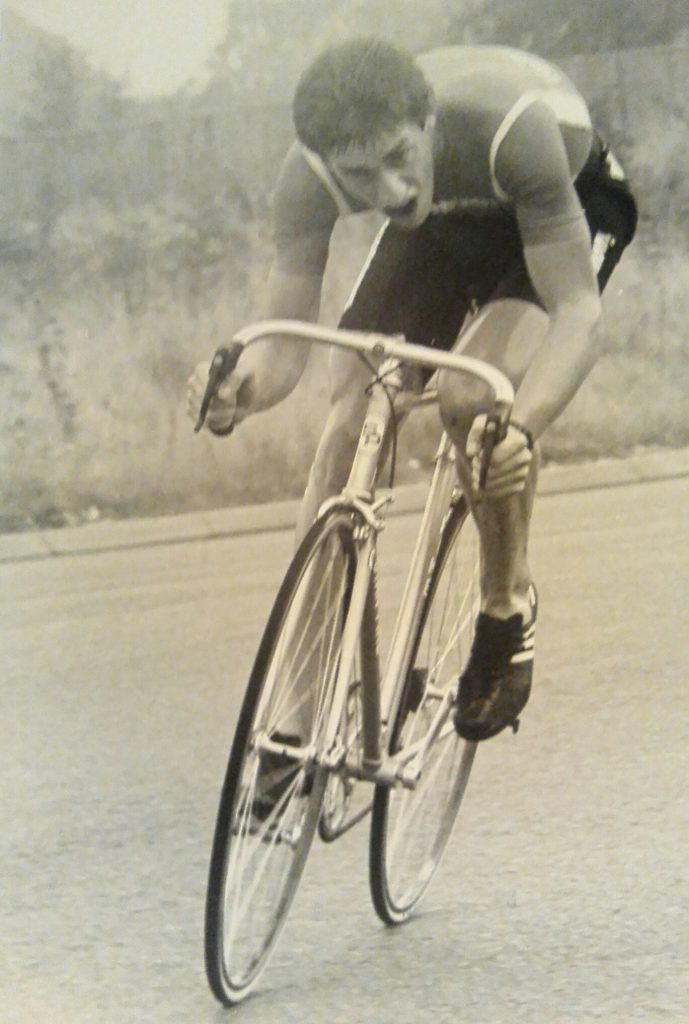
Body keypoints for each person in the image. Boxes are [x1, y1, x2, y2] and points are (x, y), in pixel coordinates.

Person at [187, 38, 637, 742]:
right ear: (326, 164)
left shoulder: (507, 129)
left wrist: (519, 427)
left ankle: (504, 607)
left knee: (469, 400)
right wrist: (240, 392)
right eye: (360, 176)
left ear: (426, 120)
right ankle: (299, 720)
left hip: (559, 199)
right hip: (442, 223)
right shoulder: (308, 179)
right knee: (354, 401)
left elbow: (578, 317)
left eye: (399, 157)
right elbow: (284, 347)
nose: (388, 190)